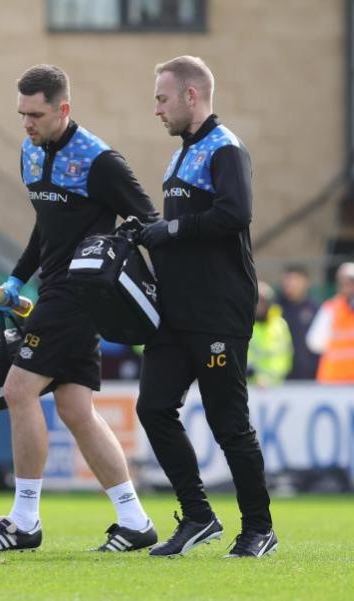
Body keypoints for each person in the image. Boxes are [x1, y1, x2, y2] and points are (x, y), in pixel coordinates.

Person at [0, 64, 159, 553]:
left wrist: (124, 272)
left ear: (63, 109)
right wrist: (16, 278)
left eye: (36, 114)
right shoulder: (29, 151)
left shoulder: (100, 161)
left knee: (17, 390)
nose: (26, 123)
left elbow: (149, 220)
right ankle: (135, 521)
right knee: (76, 409)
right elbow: (45, 227)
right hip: (51, 291)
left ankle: (24, 520)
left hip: (78, 295)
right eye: (21, 114)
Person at [137, 56, 276, 558]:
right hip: (174, 313)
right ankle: (198, 516)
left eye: (162, 98)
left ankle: (258, 528)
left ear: (191, 96)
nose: (156, 109)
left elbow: (237, 213)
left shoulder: (225, 148)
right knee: (152, 407)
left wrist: (169, 230)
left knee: (228, 424)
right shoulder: (179, 156)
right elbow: (185, 229)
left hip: (218, 310)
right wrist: (147, 232)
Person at [307, 262, 354, 382]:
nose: (348, 286)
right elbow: (314, 343)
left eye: (350, 282)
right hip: (333, 382)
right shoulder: (330, 308)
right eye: (344, 282)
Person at [278, 265, 320, 379]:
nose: (290, 284)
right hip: (282, 377)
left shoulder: (316, 310)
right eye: (287, 280)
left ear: (306, 282)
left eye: (295, 279)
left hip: (311, 376)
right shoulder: (275, 310)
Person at [247, 282, 292, 387]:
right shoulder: (244, 326)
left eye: (263, 301)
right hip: (251, 386)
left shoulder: (280, 325)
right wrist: (256, 377)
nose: (259, 305)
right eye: (256, 300)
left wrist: (273, 379)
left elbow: (287, 355)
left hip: (277, 386)